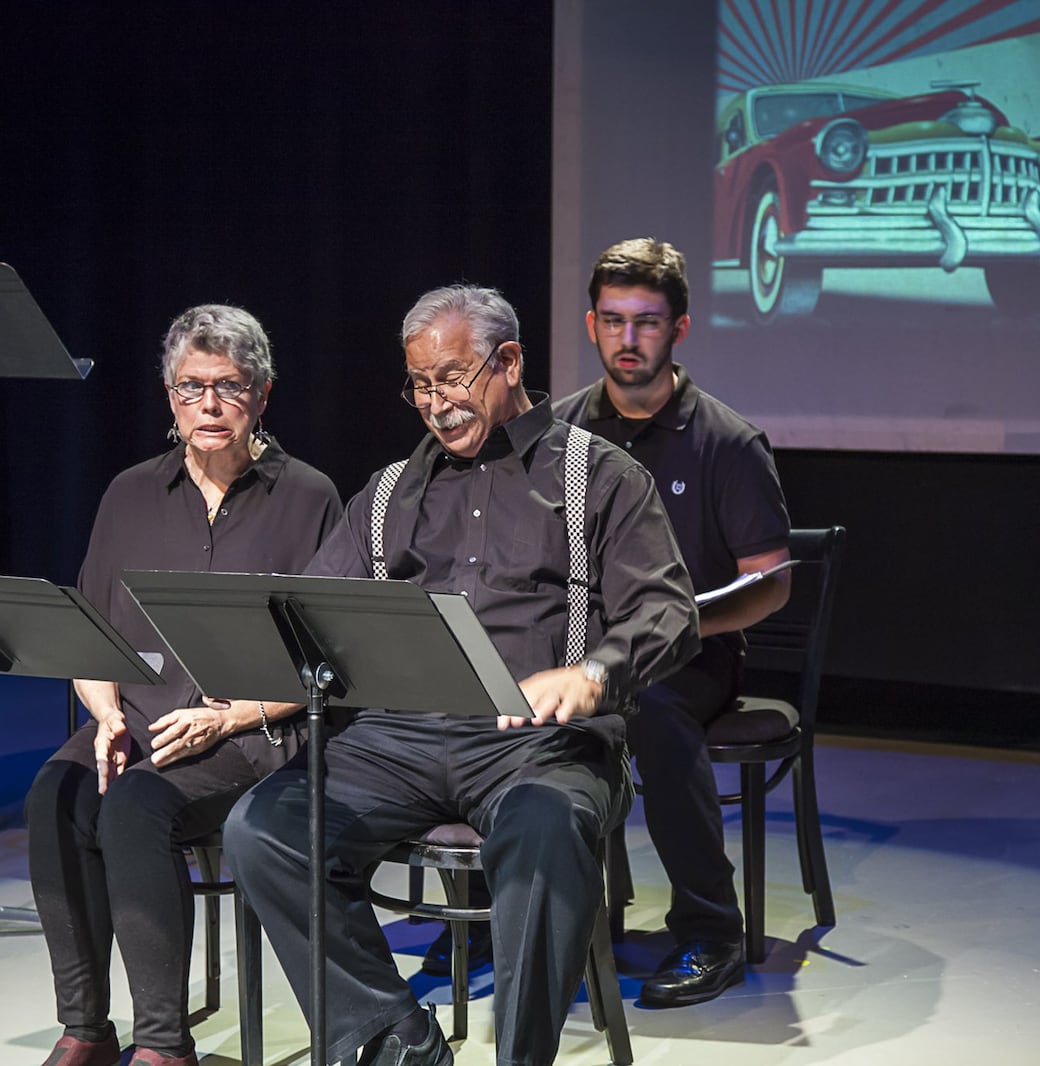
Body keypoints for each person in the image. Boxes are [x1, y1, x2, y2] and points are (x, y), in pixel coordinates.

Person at [224, 285, 700, 1066]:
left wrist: (594, 672)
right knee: (264, 828)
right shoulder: (384, 494)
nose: (435, 403)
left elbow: (669, 612)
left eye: (452, 378)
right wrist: (251, 671)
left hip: (541, 743)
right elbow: (314, 616)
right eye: (419, 384)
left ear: (509, 361)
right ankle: (401, 1046)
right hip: (396, 740)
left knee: (546, 829)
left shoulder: (600, 476)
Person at [25, 305, 342, 1066]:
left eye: (229, 386)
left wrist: (228, 718)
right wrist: (102, 714)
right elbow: (89, 637)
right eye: (191, 386)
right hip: (137, 714)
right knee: (54, 798)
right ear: (169, 397)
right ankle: (87, 1030)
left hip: (254, 727)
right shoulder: (130, 493)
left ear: (262, 396)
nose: (209, 404)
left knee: (134, 805)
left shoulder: (309, 496)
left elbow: (331, 664)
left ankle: (164, 1046)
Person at [552, 237, 792, 1006]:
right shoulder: (560, 434)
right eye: (613, 321)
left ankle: (710, 932)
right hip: (579, 652)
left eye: (646, 322)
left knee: (652, 712)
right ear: (591, 325)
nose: (628, 339)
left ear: (678, 330)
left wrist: (676, 632)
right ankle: (539, 913)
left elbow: (769, 588)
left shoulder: (726, 441)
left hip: (690, 658)